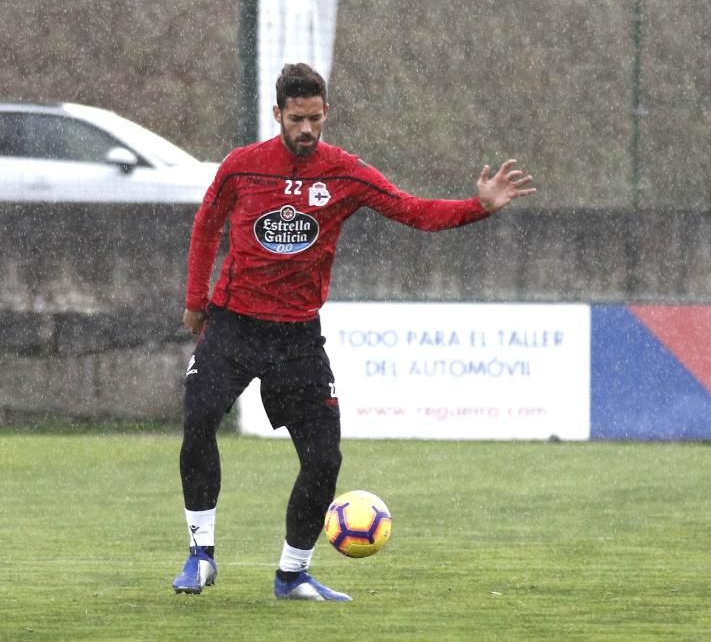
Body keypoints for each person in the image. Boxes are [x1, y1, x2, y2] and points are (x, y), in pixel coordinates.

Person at [172, 63, 535, 601]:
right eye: (297, 118)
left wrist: (476, 207)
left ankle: (292, 574)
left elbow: (411, 210)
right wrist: (195, 302)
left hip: (297, 338)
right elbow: (206, 225)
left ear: (326, 113)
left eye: (316, 118)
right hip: (234, 326)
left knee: (324, 459)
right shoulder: (242, 167)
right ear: (277, 114)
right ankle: (201, 554)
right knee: (198, 420)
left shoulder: (344, 173)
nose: (308, 129)